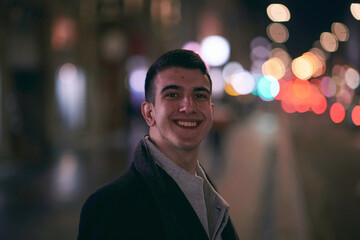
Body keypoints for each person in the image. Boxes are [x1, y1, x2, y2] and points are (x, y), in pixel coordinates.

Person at [77, 49, 239, 240]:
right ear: (149, 113)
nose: (188, 106)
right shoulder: (111, 207)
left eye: (200, 96)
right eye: (172, 95)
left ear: (211, 111)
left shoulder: (209, 194)